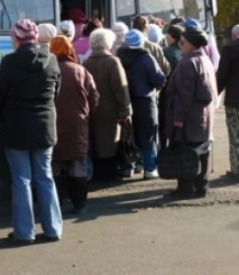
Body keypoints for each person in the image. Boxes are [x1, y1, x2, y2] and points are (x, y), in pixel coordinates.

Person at [0, 19, 62, 245]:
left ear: (16, 39)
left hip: (16, 128)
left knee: (21, 180)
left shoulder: (9, 63)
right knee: (45, 176)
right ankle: (53, 229)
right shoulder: (52, 60)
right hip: (45, 127)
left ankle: (24, 232)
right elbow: (56, 94)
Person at [164, 26, 217, 198]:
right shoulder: (205, 59)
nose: (180, 45)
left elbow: (184, 95)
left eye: (183, 42)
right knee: (201, 150)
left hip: (189, 117)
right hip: (203, 116)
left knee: (186, 151)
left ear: (191, 44)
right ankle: (201, 186)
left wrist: (178, 118)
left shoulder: (188, 63)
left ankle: (186, 189)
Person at [50, 37, 99, 214]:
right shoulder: (81, 71)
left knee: (54, 164)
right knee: (78, 164)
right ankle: (79, 203)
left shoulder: (48, 70)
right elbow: (94, 98)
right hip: (78, 124)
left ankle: (58, 201)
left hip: (52, 124)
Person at [83, 29, 132, 181]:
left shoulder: (86, 62)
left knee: (97, 141)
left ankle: (98, 173)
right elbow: (120, 88)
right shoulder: (113, 62)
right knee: (111, 142)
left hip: (93, 110)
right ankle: (110, 174)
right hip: (112, 110)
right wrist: (126, 111)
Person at [117, 30, 166, 179]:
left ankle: (130, 166)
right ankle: (150, 168)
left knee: (129, 135)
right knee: (148, 134)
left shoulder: (119, 57)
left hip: (126, 101)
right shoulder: (146, 58)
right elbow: (159, 79)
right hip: (145, 101)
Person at [217, 24, 239, 179]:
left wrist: (213, 95)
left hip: (234, 100)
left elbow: (222, 77)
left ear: (233, 36)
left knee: (234, 135)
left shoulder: (229, 50)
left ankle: (237, 169)